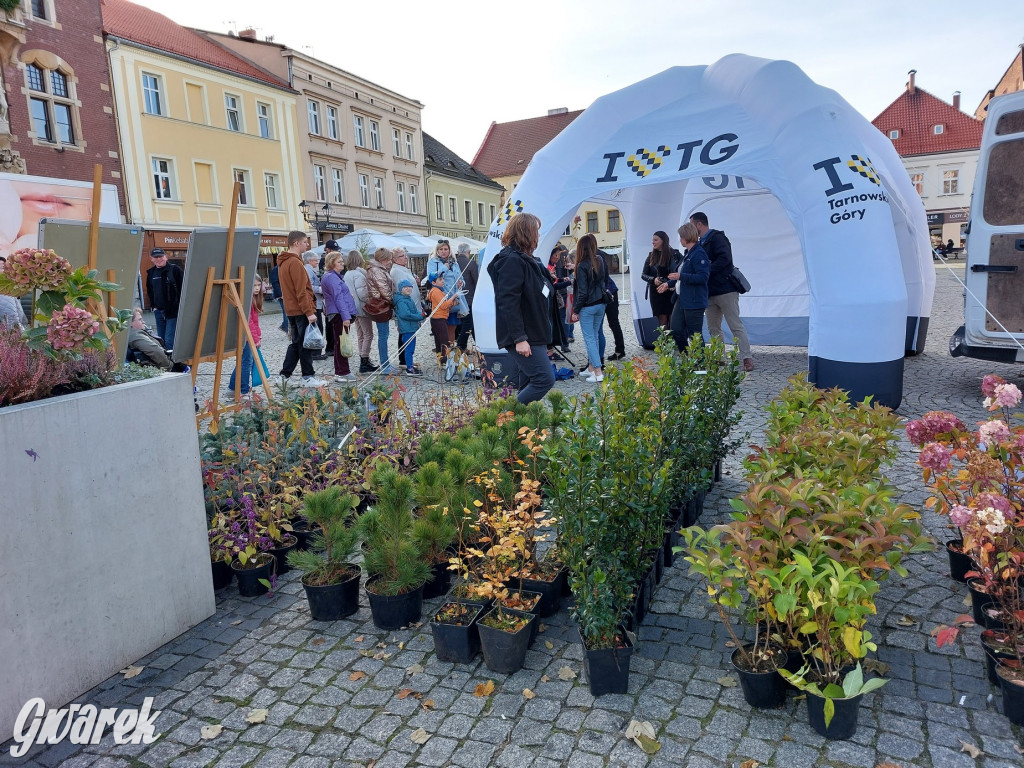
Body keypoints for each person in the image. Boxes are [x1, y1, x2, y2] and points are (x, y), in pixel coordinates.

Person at [487, 212, 555, 404]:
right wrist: (519, 338)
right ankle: (506, 419)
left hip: (534, 332)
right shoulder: (511, 261)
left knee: (528, 382)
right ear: (527, 233)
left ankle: (523, 430)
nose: (539, 236)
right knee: (544, 379)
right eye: (536, 231)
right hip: (524, 335)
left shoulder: (526, 259)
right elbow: (508, 302)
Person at [690, 212, 754, 371]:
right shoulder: (699, 244)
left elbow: (725, 260)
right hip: (710, 293)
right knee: (713, 328)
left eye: (692, 225)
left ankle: (747, 358)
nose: (691, 229)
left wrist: (705, 269)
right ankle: (720, 359)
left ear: (699, 225)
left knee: (735, 325)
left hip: (726, 290)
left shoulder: (718, 238)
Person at [276, 230, 327, 387]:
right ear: (296, 243)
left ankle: (284, 376)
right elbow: (301, 290)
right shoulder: (295, 263)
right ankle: (307, 376)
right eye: (305, 242)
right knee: (305, 344)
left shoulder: (284, 262)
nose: (307, 244)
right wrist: (309, 312)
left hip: (292, 309)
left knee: (297, 343)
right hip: (300, 310)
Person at [570, 233, 608, 383]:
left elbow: (583, 292)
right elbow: (603, 282)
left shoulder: (581, 265)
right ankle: (592, 368)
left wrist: (576, 310)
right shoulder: (599, 260)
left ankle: (597, 372)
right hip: (600, 303)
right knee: (595, 336)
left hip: (588, 306)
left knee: (590, 338)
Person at [669, 222, 710, 353]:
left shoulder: (699, 254)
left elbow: (703, 277)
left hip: (694, 300)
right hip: (682, 298)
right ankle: (686, 358)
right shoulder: (687, 253)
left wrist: (681, 276)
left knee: (695, 336)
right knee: (676, 330)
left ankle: (701, 367)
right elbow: (679, 275)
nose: (680, 239)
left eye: (681, 237)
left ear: (686, 237)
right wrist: (668, 284)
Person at [321, 250, 357, 383]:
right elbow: (338, 298)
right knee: (342, 343)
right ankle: (343, 372)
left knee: (339, 342)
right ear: (332, 263)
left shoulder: (335, 276)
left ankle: (341, 371)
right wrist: (345, 317)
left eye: (342, 261)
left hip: (340, 313)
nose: (343, 263)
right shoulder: (331, 277)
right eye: (339, 261)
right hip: (339, 314)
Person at [227, 275, 267, 396]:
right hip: (244, 335)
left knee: (244, 361)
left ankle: (232, 388)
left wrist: (258, 335)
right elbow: (248, 321)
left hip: (249, 335)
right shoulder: (246, 300)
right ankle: (242, 390)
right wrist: (255, 339)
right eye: (254, 285)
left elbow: (255, 321)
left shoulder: (255, 298)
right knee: (247, 362)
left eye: (259, 285)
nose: (257, 288)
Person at [426, 239, 464, 347]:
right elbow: (431, 278)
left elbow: (461, 277)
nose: (443, 251)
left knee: (452, 327)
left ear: (449, 250)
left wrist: (462, 283)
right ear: (437, 251)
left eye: (446, 249)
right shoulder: (432, 262)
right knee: (442, 328)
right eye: (441, 249)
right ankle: (443, 352)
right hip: (441, 298)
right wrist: (444, 267)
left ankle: (451, 352)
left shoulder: (455, 263)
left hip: (453, 298)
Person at [344, 250, 377, 373]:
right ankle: (364, 360)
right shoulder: (358, 275)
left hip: (353, 308)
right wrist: (371, 299)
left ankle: (364, 358)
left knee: (361, 335)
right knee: (368, 334)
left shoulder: (347, 274)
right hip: (362, 307)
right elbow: (362, 293)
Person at [365, 247, 397, 374]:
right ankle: (384, 364)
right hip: (381, 306)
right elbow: (384, 291)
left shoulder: (377, 269)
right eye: (389, 259)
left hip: (381, 305)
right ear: (383, 259)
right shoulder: (377, 271)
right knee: (383, 336)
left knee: (384, 335)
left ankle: (386, 362)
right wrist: (395, 301)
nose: (390, 262)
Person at [641, 231, 681, 331]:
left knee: (674, 320)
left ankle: (676, 344)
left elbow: (681, 271)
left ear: (663, 241)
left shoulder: (674, 254)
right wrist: (653, 279)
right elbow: (643, 275)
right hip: (657, 292)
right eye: (652, 240)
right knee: (662, 321)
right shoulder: (651, 256)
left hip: (672, 291)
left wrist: (673, 283)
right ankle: (665, 345)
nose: (653, 242)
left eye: (656, 240)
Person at [145, 247, 183, 350]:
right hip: (158, 311)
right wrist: (153, 306)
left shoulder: (175, 270)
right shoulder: (151, 273)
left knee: (169, 340)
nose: (158, 259)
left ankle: (172, 364)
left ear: (165, 257)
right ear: (151, 259)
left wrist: (179, 306)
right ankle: (164, 364)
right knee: (160, 340)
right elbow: (150, 291)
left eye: (160, 256)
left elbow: (184, 288)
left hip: (173, 312)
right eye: (156, 257)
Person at [393, 279, 424, 377]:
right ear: (401, 289)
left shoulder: (408, 298)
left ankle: (410, 365)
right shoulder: (402, 301)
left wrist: (422, 314)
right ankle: (409, 368)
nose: (408, 289)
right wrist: (420, 316)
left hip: (411, 327)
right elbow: (406, 314)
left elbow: (414, 311)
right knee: (409, 349)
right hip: (407, 328)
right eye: (405, 287)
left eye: (410, 287)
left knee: (410, 348)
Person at [427, 272, 458, 365]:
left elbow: (442, 306)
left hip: (438, 319)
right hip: (439, 319)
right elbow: (444, 305)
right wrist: (453, 297)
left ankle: (440, 359)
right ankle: (444, 361)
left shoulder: (438, 290)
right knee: (444, 341)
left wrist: (452, 304)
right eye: (440, 279)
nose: (443, 281)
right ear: (433, 282)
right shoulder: (436, 291)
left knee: (439, 340)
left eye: (442, 279)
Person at [303, 250, 327, 360]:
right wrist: (321, 289)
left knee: (317, 327)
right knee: (317, 328)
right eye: (315, 260)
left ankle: (316, 352)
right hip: (314, 303)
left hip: (316, 302)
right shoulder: (307, 270)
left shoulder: (309, 270)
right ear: (309, 260)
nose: (317, 262)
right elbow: (309, 287)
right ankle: (316, 353)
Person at [455, 243, 479, 351]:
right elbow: (477, 281)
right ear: (468, 252)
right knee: (468, 322)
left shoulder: (454, 263)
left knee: (469, 322)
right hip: (469, 297)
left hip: (456, 298)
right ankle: (461, 345)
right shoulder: (471, 263)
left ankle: (478, 342)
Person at [320, 240, 342, 355]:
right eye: (333, 250)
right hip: (328, 298)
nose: (335, 252)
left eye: (336, 250)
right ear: (327, 250)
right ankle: (330, 347)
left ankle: (336, 346)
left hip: (335, 298)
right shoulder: (323, 262)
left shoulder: (339, 262)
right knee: (330, 324)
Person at [603, 265, 626, 361]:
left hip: (609, 293)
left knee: (613, 322)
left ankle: (620, 350)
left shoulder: (597, 259)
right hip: (606, 292)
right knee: (613, 323)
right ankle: (620, 350)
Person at [0, 255, 28, 329]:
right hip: (9, 334)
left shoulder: (7, 288)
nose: (6, 271)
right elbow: (11, 319)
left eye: (5, 268)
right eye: (2, 268)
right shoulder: (4, 292)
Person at [268, 258, 287, 332]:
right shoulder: (276, 269)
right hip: (282, 295)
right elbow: (275, 283)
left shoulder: (283, 268)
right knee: (286, 312)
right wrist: (281, 294)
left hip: (286, 294)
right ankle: (286, 327)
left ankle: (285, 326)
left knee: (287, 311)